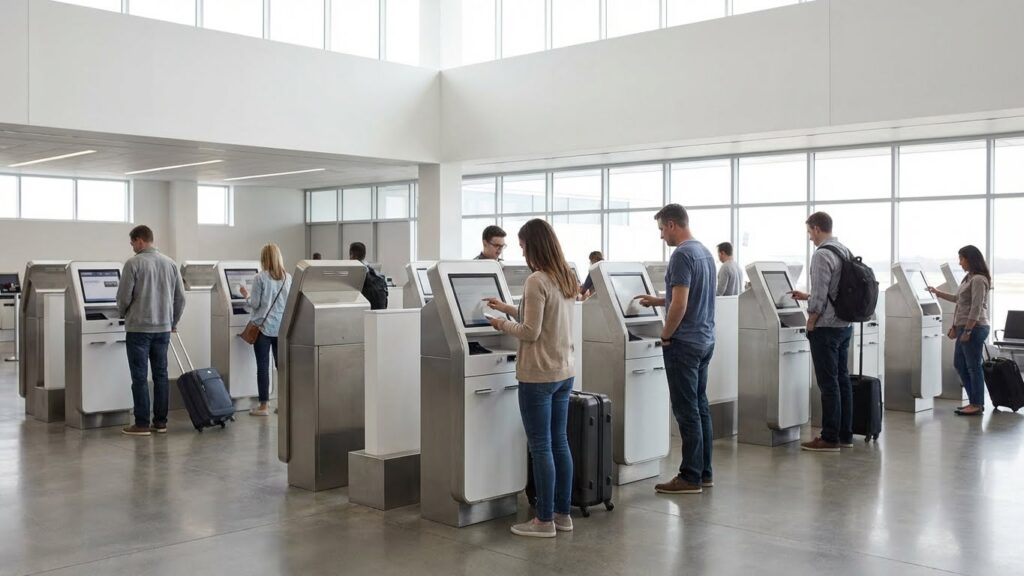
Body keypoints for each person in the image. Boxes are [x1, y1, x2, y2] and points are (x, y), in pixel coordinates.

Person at [484, 219, 577, 538]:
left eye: (523, 247)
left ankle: (543, 521)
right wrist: (507, 307)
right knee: (559, 442)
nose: (521, 253)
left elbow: (530, 330)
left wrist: (499, 324)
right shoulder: (565, 275)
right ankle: (563, 515)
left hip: (538, 374)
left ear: (533, 246)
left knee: (541, 447)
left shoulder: (536, 279)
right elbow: (544, 315)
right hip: (564, 371)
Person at [636, 204, 716, 494]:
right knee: (701, 407)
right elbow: (687, 295)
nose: (661, 236)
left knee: (686, 412)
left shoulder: (681, 254)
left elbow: (681, 303)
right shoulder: (705, 252)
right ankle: (705, 472)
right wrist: (659, 300)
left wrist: (665, 335)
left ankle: (690, 476)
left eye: (661, 229)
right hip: (705, 339)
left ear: (672, 225)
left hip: (684, 342)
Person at [789, 212, 853, 452]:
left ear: (816, 229)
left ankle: (829, 438)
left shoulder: (822, 255)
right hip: (845, 325)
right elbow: (834, 291)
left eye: (809, 232)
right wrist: (807, 297)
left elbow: (819, 295)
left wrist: (811, 319)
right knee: (842, 379)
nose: (809, 238)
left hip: (826, 327)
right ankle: (845, 434)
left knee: (828, 384)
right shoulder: (844, 250)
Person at [116, 225, 185, 436]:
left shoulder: (133, 264)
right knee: (161, 376)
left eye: (132, 243)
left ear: (140, 241)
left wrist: (122, 313)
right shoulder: (171, 263)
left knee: (139, 377)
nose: (132, 247)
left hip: (138, 328)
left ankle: (142, 423)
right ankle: (161, 422)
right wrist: (172, 322)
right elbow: (180, 298)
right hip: (163, 329)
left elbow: (123, 297)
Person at [927, 246, 991, 416]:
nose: (960, 262)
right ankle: (974, 402)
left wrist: (968, 330)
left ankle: (976, 404)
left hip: (975, 328)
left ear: (970, 259)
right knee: (960, 364)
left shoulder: (978, 279)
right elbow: (959, 300)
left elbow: (976, 307)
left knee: (973, 367)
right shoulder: (968, 278)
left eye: (961, 258)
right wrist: (938, 293)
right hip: (966, 327)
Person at [238, 244, 291, 416]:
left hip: (263, 328)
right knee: (281, 367)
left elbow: (255, 303)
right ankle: (283, 404)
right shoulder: (287, 277)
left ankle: (264, 406)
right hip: (281, 328)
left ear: (264, 259)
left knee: (262, 367)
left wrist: (245, 294)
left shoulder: (260, 278)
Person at [349, 241, 388, 310]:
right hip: (379, 308)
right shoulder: (370, 269)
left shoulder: (354, 269)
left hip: (367, 307)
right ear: (364, 255)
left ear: (351, 255)